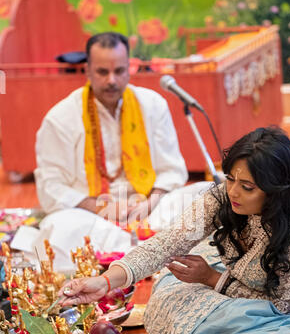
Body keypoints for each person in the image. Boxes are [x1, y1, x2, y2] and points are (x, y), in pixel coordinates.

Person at [59, 126, 290, 334]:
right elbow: (167, 243)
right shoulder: (223, 198)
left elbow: (284, 306)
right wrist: (105, 282)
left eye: (247, 187)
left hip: (278, 307)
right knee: (168, 295)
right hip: (232, 281)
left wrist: (212, 279)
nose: (233, 192)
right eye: (230, 179)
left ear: (276, 190)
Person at [33, 32, 210, 269]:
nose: (112, 81)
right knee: (57, 228)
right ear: (87, 70)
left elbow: (172, 171)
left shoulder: (153, 105)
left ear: (129, 68)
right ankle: (152, 253)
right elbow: (51, 188)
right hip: (92, 217)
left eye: (119, 71)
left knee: (208, 194)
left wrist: (147, 204)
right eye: (102, 72)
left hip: (150, 209)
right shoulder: (60, 118)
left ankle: (134, 253)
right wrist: (103, 208)